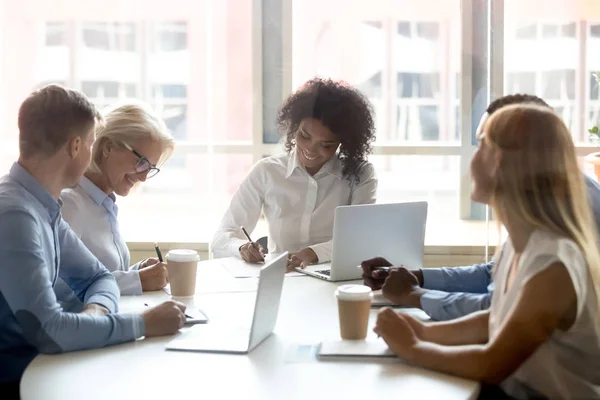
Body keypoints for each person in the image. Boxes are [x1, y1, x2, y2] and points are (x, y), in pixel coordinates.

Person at [373, 103, 600, 398]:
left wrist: (413, 347)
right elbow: (496, 319)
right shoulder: (522, 245)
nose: (472, 157)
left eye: (482, 144)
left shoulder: (554, 263)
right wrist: (422, 332)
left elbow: (493, 364)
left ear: (503, 163)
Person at [0, 85, 186, 397]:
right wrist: (143, 324)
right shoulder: (15, 215)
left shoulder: (44, 206)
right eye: (90, 144)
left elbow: (98, 277)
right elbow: (52, 332)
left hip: (53, 365)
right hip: (24, 379)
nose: (91, 155)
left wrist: (96, 312)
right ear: (75, 146)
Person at [362, 94, 600, 321]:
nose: (474, 160)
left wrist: (414, 296)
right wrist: (418, 278)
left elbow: (497, 312)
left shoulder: (571, 209)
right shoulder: (540, 200)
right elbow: (494, 274)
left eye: (485, 146)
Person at [211, 78, 378, 270]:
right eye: (305, 136)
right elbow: (221, 238)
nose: (311, 149)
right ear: (294, 127)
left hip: (334, 283)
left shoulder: (360, 175)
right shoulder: (267, 171)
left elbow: (360, 240)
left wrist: (313, 253)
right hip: (281, 278)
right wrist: (242, 248)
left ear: (344, 142)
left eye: (326, 145)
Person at [59, 103, 174, 298]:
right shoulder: (70, 204)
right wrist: (137, 281)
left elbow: (101, 274)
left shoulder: (104, 205)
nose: (144, 177)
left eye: (150, 168)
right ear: (108, 147)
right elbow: (60, 290)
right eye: (142, 162)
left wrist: (138, 272)